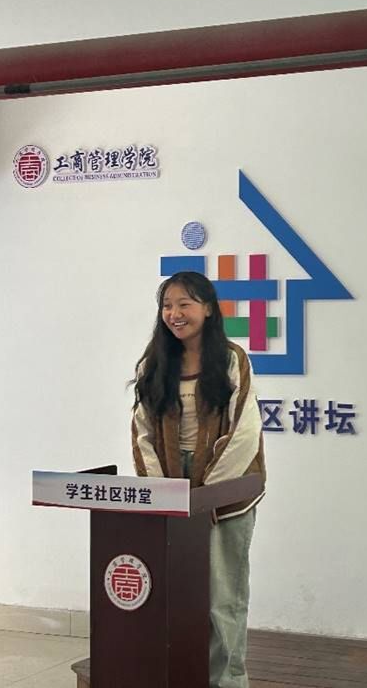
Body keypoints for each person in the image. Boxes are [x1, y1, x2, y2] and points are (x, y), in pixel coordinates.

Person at [131, 271, 266, 688]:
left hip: (227, 489)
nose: (175, 313)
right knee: (177, 595)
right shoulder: (154, 363)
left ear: (207, 309)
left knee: (223, 599)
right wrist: (161, 494)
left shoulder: (231, 358)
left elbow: (244, 432)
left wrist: (207, 497)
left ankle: (228, 682)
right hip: (172, 487)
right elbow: (142, 433)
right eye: (167, 306)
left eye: (184, 304)